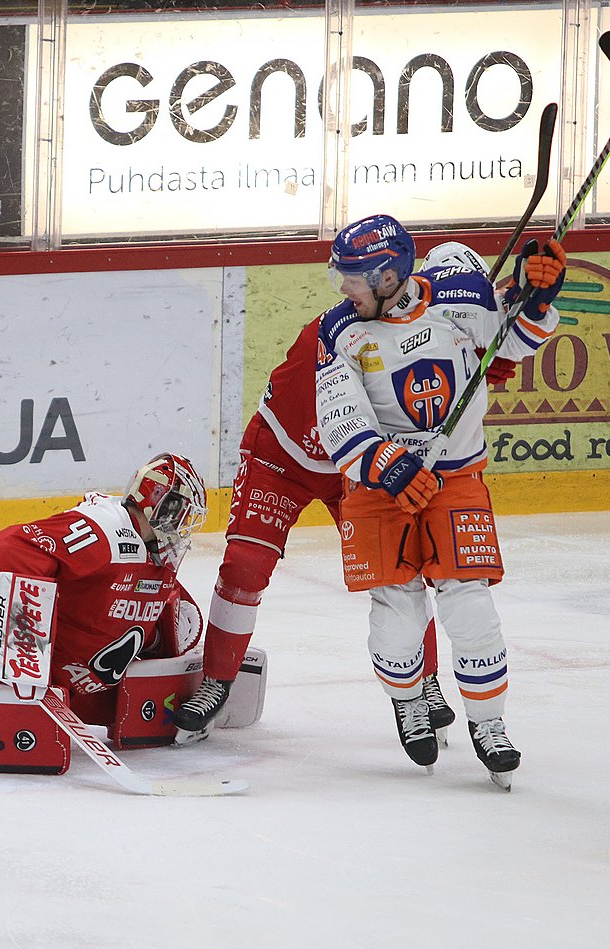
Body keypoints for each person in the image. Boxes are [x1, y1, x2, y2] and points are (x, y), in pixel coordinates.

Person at [175, 243, 500, 737]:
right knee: (245, 564)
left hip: (357, 470)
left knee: (401, 567)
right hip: (283, 456)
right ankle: (218, 679)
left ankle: (423, 683)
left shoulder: (432, 324)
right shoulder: (345, 330)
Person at [311, 215, 566, 787]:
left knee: (469, 603)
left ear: (389, 274)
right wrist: (385, 463)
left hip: (455, 479)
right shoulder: (340, 330)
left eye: (353, 278)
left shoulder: (462, 298)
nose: (343, 290)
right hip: (380, 485)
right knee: (399, 617)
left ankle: (489, 723)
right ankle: (408, 702)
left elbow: (517, 340)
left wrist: (538, 296)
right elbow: (337, 413)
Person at [0, 453, 209, 732]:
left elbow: (183, 622)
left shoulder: (156, 559)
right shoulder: (106, 531)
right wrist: (26, 648)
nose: (183, 526)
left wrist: (159, 642)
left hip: (72, 684)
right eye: (181, 514)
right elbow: (3, 551)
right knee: (2, 723)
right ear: (162, 505)